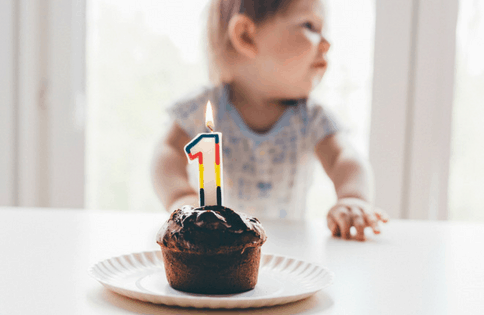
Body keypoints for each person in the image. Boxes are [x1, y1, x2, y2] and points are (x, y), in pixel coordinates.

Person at [151, 0, 389, 241]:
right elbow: (167, 151)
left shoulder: (311, 117)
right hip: (216, 243)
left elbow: (344, 158)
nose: (327, 43)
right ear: (246, 36)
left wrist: (352, 198)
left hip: (289, 247)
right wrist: (181, 197)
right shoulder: (205, 106)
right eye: (310, 26)